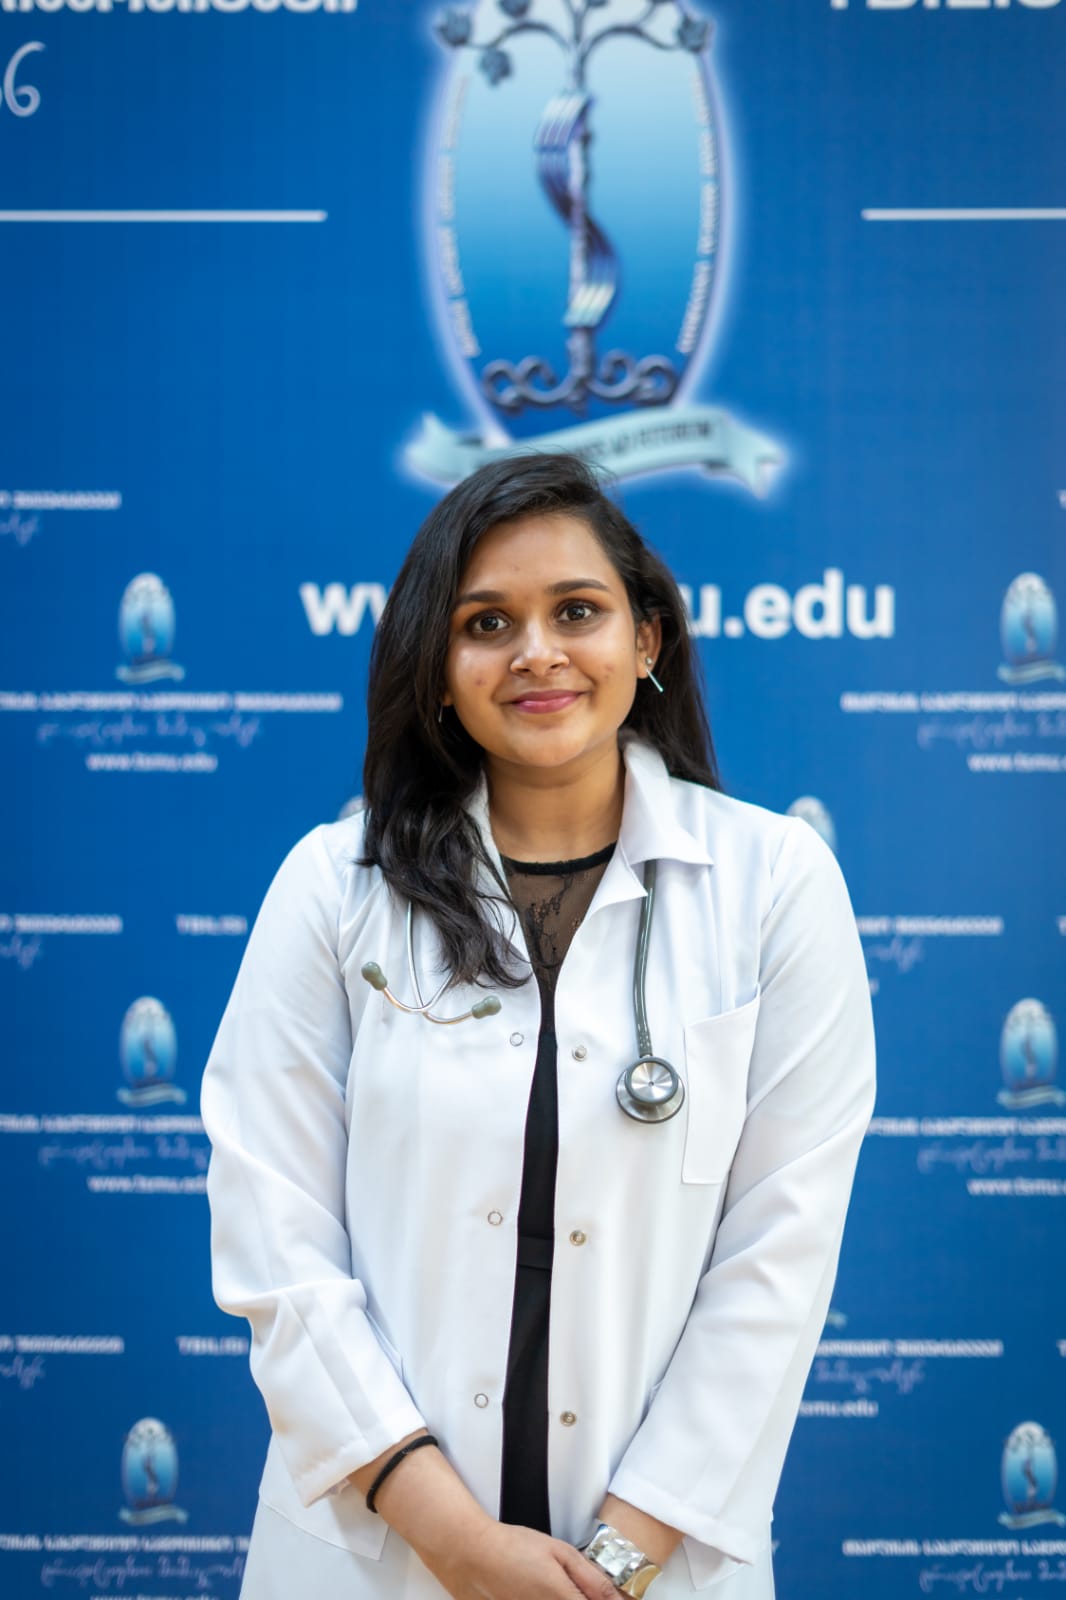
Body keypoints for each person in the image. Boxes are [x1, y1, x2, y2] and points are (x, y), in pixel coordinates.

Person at [201, 452, 876, 1600]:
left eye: (577, 611)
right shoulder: (334, 884)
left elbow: (779, 1253)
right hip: (379, 1552)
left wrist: (618, 1561)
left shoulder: (772, 883)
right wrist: (454, 1542)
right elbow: (276, 1239)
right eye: (486, 623)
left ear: (645, 639)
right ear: (438, 667)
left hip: (653, 1562)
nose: (536, 652)